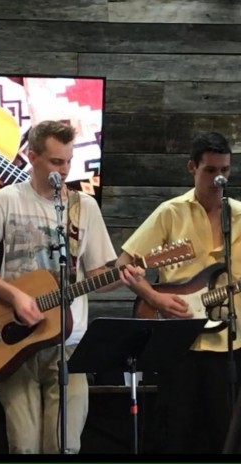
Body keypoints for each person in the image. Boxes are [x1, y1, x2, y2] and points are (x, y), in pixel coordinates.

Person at [0, 120, 143, 454]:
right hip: (13, 342)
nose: (65, 169)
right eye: (57, 162)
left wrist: (122, 278)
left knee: (64, 446)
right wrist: (14, 295)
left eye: (69, 161)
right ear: (32, 156)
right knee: (24, 447)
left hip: (69, 344)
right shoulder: (7, 200)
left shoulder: (84, 207)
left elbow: (97, 275)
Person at [115, 131, 241, 453]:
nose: (219, 178)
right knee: (177, 434)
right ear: (191, 168)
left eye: (225, 170)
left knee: (225, 436)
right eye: (210, 170)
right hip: (179, 343)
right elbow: (125, 264)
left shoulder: (239, 215)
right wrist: (156, 299)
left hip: (230, 346)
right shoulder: (170, 212)